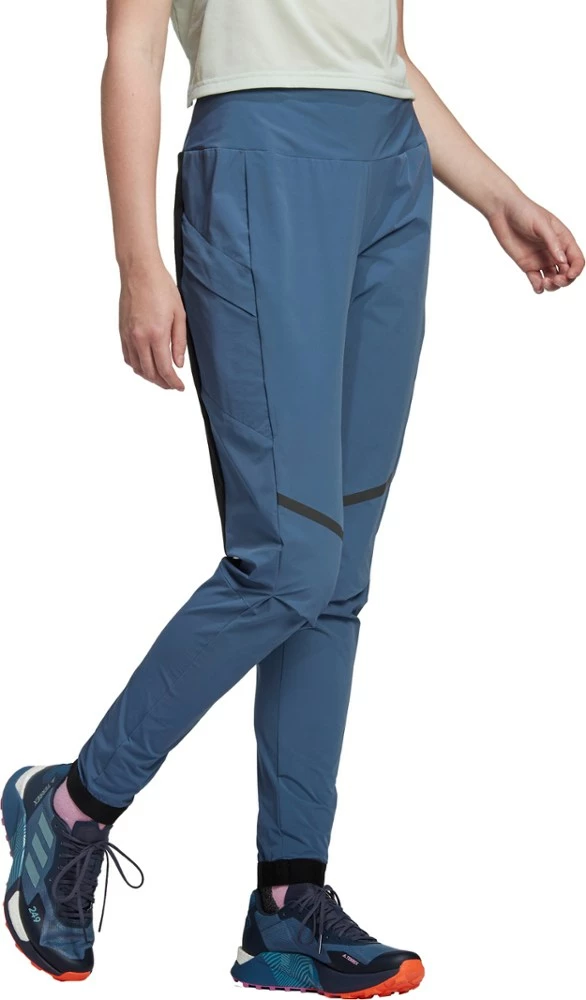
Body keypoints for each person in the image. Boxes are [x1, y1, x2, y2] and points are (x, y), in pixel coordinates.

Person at [2, 0, 583, 994]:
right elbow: (132, 49)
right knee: (288, 561)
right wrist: (138, 264)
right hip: (258, 161)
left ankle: (287, 903)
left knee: (337, 576)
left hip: (390, 173)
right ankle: (71, 806)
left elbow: (381, 57)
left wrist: (497, 197)